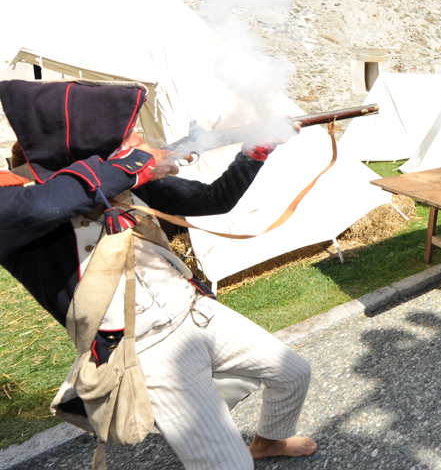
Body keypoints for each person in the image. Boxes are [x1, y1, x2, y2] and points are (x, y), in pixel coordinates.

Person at [0, 80, 317, 469]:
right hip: (144, 348)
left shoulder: (124, 178)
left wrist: (254, 152)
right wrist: (133, 166)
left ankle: (268, 442)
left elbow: (213, 199)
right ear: (82, 141)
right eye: (125, 132)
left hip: (195, 311)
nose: (137, 138)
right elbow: (44, 207)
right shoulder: (16, 198)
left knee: (293, 373)